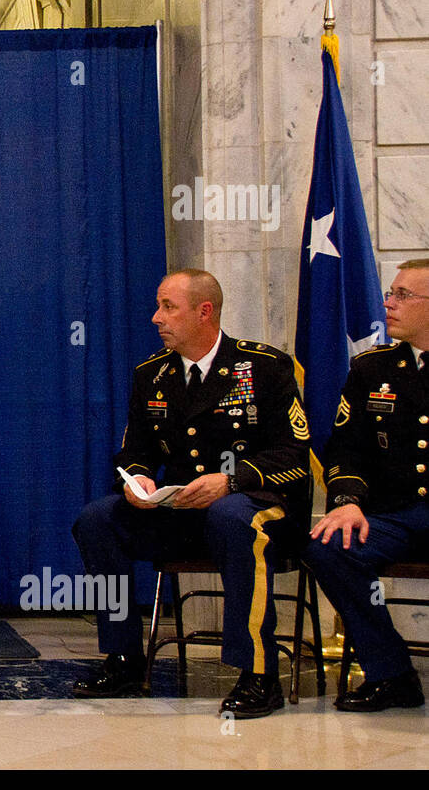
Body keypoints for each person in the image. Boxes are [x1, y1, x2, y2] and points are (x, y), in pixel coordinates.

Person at [71, 269, 312, 717]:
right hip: (184, 512)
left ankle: (259, 674)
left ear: (205, 312)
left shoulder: (264, 367)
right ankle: (123, 657)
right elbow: (134, 451)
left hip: (262, 513)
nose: (155, 317)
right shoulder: (153, 374)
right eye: (159, 306)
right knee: (98, 519)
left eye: (168, 307)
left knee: (233, 515)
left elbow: (293, 454)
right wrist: (137, 480)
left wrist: (232, 481)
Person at [305, 259, 429, 712]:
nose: (388, 304)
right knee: (327, 546)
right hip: (393, 515)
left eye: (403, 296)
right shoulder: (372, 368)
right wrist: (347, 502)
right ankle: (391, 672)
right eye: (390, 293)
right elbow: (347, 450)